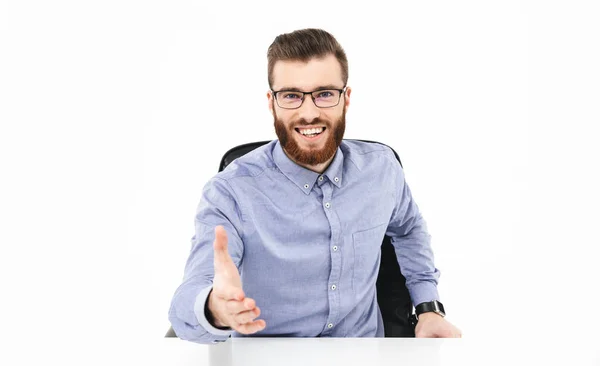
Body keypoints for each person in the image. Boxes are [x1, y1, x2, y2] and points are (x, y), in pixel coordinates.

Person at [168, 28, 462, 344]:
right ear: (272, 103)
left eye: (324, 93)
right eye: (291, 95)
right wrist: (214, 308)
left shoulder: (382, 169)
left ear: (345, 99)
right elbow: (190, 296)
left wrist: (429, 306)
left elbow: (408, 229)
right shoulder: (230, 192)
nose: (309, 113)